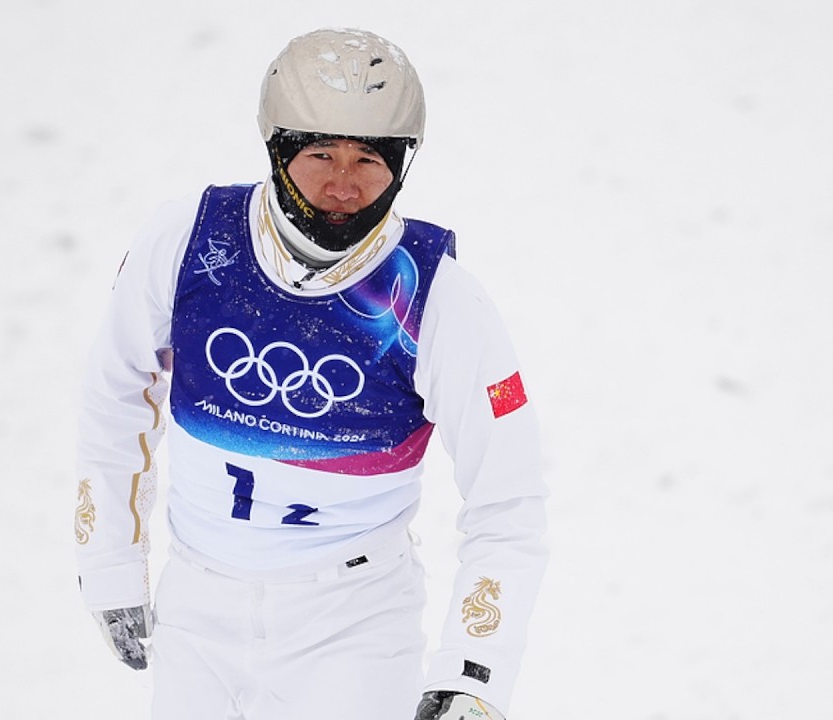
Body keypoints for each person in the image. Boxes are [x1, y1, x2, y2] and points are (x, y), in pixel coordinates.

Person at [73, 27, 548, 720]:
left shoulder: (439, 296)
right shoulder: (185, 240)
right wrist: (107, 559)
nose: (343, 185)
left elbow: (508, 499)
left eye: (369, 159)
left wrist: (475, 673)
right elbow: (115, 395)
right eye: (320, 154)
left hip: (352, 625)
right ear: (277, 149)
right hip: (197, 609)